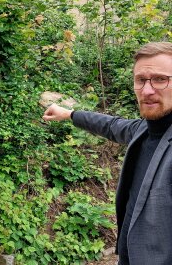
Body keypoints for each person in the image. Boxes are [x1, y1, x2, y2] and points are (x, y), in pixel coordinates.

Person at [42, 42, 172, 265]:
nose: (147, 90)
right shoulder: (142, 130)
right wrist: (70, 114)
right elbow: (111, 126)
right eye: (140, 80)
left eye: (160, 79)